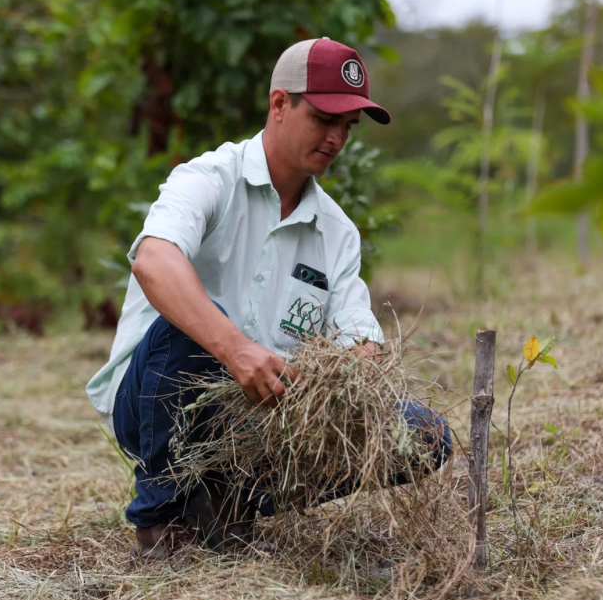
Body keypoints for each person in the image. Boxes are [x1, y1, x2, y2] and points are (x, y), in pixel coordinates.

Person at [86, 38, 451, 562]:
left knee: (422, 434)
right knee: (191, 328)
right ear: (280, 104)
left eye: (348, 126)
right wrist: (236, 349)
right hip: (152, 405)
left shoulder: (336, 233)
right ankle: (161, 523)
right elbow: (153, 261)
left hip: (259, 422)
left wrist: (346, 381)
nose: (336, 137)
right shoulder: (209, 179)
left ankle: (231, 503)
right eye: (325, 117)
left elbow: (361, 343)